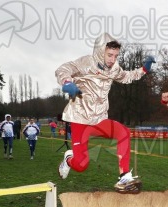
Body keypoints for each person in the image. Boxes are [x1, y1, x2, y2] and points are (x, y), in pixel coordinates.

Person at [55, 32, 155, 194]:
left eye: (115, 56)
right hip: (80, 118)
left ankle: (124, 177)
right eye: (109, 55)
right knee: (81, 165)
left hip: (99, 119)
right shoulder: (86, 62)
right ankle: (69, 158)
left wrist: (144, 70)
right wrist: (67, 82)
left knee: (123, 132)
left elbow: (127, 76)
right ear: (100, 51)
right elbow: (63, 69)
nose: (112, 60)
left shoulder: (114, 68)